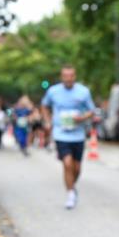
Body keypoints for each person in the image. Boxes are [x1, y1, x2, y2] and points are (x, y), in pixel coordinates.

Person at [41, 65, 96, 209]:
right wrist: (47, 121)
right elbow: (44, 106)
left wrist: (82, 117)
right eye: (65, 76)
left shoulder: (83, 92)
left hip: (78, 134)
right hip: (61, 134)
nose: (68, 79)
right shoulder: (53, 91)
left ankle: (72, 185)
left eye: (71, 76)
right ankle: (70, 193)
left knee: (76, 168)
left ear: (75, 76)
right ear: (61, 77)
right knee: (67, 163)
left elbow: (91, 110)